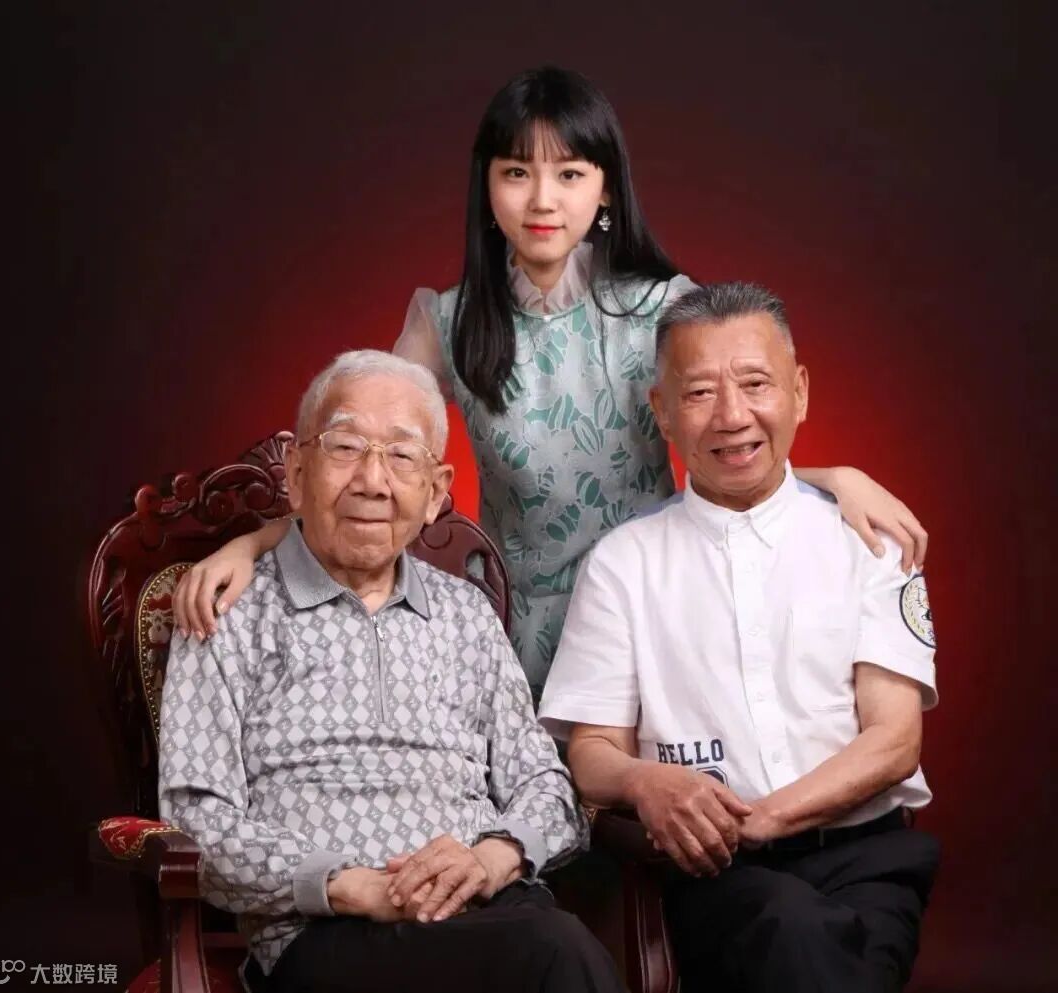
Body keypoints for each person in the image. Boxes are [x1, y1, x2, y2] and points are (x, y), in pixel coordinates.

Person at [171, 66, 927, 702]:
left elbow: (730, 442)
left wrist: (833, 479)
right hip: (514, 633)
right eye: (516, 173)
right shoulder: (447, 323)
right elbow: (363, 462)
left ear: (606, 190)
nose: (542, 200)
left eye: (569, 174)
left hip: (659, 617)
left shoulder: (661, 308)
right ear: (487, 186)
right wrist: (257, 541)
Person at [158, 350, 625, 993]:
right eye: (346, 446)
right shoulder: (227, 610)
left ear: (435, 492)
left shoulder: (465, 612)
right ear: (296, 472)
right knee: (556, 957)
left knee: (555, 947)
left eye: (402, 455)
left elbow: (547, 786)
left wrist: (491, 859)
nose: (373, 481)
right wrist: (350, 886)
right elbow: (195, 818)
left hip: (488, 911)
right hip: (327, 933)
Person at [538, 283, 940, 993]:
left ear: (799, 391)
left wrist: (759, 819)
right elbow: (592, 751)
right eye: (699, 392)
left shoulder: (870, 539)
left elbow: (895, 740)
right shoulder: (623, 562)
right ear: (662, 411)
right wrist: (645, 780)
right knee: (792, 931)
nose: (732, 415)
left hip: (865, 862)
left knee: (815, 949)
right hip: (715, 874)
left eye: (756, 384)